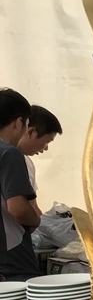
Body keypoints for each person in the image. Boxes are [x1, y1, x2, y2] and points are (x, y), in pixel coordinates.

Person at [0, 89, 40, 281]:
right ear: (18, 122)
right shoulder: (9, 153)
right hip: (11, 263)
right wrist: (36, 220)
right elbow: (18, 209)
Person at [16, 105, 62, 214]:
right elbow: (18, 210)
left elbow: (33, 206)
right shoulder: (13, 160)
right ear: (31, 132)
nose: (46, 148)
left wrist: (43, 223)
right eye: (47, 142)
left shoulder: (28, 163)